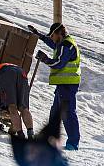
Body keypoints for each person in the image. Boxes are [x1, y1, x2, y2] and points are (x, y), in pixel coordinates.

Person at [29, 22, 82, 150]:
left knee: (68, 113)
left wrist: (45, 59)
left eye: (52, 35)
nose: (51, 38)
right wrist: (39, 35)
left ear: (59, 34)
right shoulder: (63, 43)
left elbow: (59, 63)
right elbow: (53, 44)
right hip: (63, 84)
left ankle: (73, 143)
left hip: (68, 84)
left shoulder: (67, 46)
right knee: (55, 112)